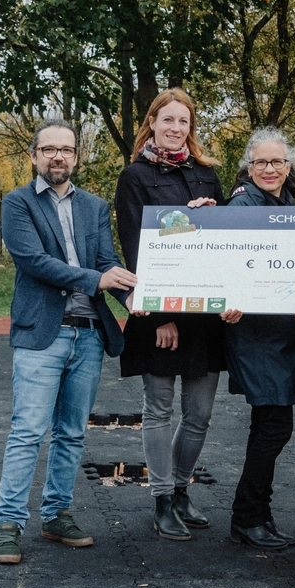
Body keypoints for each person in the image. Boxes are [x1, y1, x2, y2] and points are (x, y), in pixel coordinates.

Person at [0, 118, 134, 564]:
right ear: (33, 156)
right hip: (43, 334)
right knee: (28, 432)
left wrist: (137, 296)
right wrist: (98, 278)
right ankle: (8, 524)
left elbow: (110, 263)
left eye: (66, 150)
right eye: (49, 149)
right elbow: (33, 262)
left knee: (71, 434)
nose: (58, 156)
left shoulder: (93, 206)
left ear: (76, 157)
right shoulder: (17, 204)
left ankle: (55, 516)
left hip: (89, 335)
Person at [115, 88, 228, 540]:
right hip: (160, 315)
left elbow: (222, 243)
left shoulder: (208, 175)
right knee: (158, 410)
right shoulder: (134, 176)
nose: (176, 128)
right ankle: (161, 499)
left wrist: (214, 217)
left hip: (205, 315)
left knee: (199, 414)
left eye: (184, 121)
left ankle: (181, 489)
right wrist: (161, 315)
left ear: (190, 127)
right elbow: (135, 245)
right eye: (168, 120)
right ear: (153, 123)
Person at [222, 127, 295, 551]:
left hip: (283, 334)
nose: (270, 168)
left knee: (270, 426)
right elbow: (227, 265)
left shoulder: (286, 203)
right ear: (249, 167)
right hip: (257, 335)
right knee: (274, 426)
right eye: (261, 162)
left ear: (288, 165)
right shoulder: (242, 204)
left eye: (277, 161)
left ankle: (259, 513)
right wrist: (227, 298)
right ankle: (247, 516)